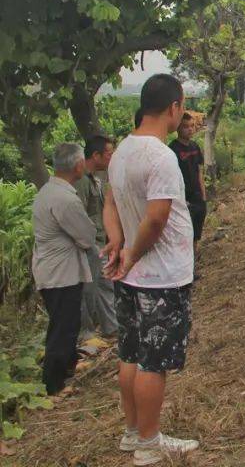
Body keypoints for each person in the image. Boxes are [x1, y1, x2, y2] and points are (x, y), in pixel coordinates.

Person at [102, 73, 198, 462]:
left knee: (130, 354)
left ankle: (132, 433)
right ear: (174, 108)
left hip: (131, 276)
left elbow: (110, 203)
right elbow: (157, 218)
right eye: (182, 106)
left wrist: (116, 242)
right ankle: (148, 444)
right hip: (159, 278)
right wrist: (133, 252)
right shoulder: (161, 156)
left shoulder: (122, 149)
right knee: (152, 363)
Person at [32, 143, 97, 396]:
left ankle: (68, 368)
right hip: (60, 274)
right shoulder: (65, 199)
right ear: (78, 165)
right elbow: (86, 236)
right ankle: (54, 384)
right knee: (64, 326)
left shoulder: (48, 191)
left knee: (66, 321)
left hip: (54, 270)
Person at [76, 134, 118, 340]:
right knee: (91, 290)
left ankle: (112, 327)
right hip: (90, 244)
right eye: (109, 153)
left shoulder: (96, 178)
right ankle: (88, 334)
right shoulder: (82, 181)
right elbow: (78, 215)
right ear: (96, 155)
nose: (112, 157)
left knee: (105, 284)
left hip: (100, 242)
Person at [168, 114, 206, 246]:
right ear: (178, 128)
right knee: (184, 234)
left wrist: (203, 195)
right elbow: (170, 177)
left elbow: (199, 171)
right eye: (185, 127)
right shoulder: (172, 149)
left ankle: (194, 261)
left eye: (192, 126)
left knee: (196, 233)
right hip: (183, 198)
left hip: (197, 196)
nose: (190, 129)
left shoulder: (195, 147)